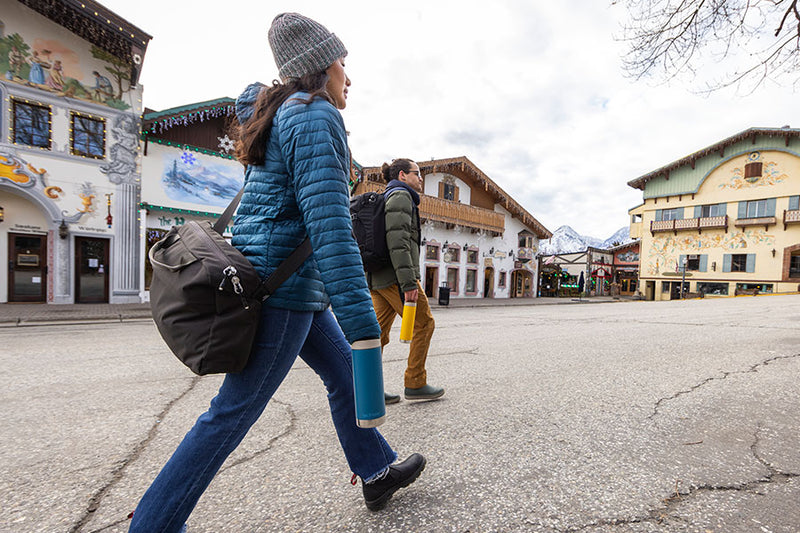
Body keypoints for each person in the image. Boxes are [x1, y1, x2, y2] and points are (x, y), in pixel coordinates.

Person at [129, 13, 425, 532]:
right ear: (318, 66)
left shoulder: (282, 114)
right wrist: (362, 326)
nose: (348, 77)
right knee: (230, 415)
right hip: (283, 290)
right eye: (341, 63)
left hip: (292, 285)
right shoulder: (314, 116)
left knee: (339, 377)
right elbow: (331, 226)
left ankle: (375, 469)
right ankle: (152, 524)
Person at [368, 159, 445, 403]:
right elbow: (398, 242)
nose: (421, 178)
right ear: (403, 175)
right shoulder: (401, 196)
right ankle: (415, 382)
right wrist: (409, 283)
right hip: (396, 277)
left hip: (379, 277)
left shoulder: (389, 195)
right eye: (417, 173)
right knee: (424, 324)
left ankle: (368, 389)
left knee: (376, 334)